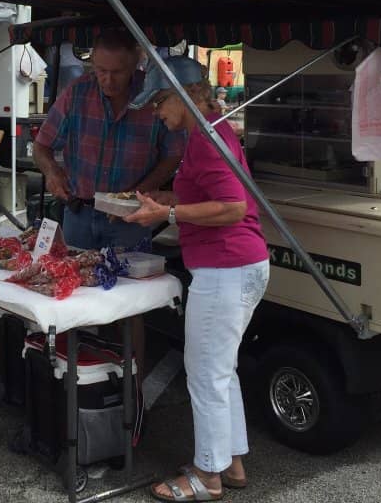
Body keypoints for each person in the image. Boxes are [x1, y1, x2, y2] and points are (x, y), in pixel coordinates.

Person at [124, 56, 269, 502]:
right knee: (221, 372)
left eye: (159, 103)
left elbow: (231, 207)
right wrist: (164, 198)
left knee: (205, 375)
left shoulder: (206, 138)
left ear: (181, 95)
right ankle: (232, 461)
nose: (156, 113)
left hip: (226, 267)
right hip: (241, 265)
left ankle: (207, 476)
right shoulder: (213, 132)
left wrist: (166, 212)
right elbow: (211, 194)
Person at [33, 28, 184, 251]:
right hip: (79, 213)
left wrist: (137, 194)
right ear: (92, 63)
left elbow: (173, 155)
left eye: (118, 71)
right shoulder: (77, 92)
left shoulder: (153, 94)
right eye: (101, 70)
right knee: (75, 281)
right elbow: (42, 145)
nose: (108, 80)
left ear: (135, 65)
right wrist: (52, 172)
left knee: (131, 283)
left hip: (131, 218)